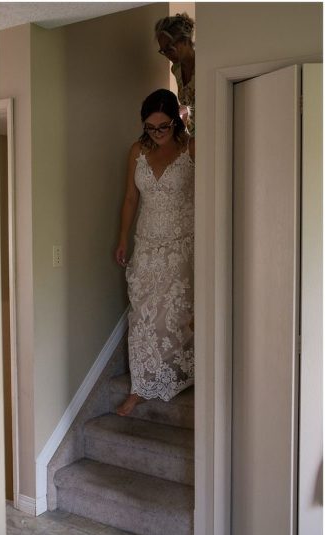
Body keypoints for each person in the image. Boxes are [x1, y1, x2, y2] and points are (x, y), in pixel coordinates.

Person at [115, 89, 195, 416]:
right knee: (142, 316)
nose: (157, 133)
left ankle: (178, 374)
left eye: (163, 126)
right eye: (151, 127)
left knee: (173, 316)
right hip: (146, 243)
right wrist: (122, 239)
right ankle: (140, 387)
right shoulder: (137, 151)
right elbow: (131, 199)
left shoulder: (192, 148)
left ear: (176, 121)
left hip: (182, 243)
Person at [155, 13, 195, 133]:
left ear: (185, 40)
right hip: (193, 137)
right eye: (163, 51)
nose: (167, 54)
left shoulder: (204, 64)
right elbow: (190, 104)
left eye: (170, 48)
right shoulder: (176, 69)